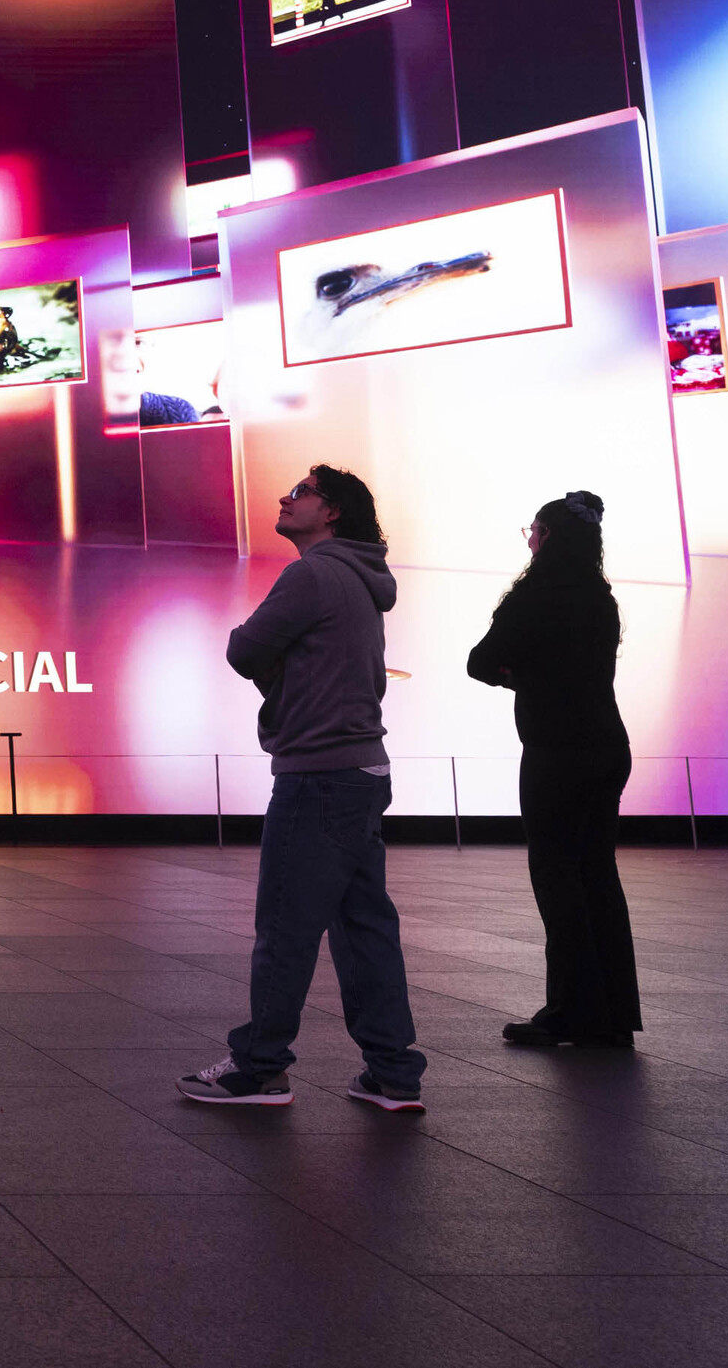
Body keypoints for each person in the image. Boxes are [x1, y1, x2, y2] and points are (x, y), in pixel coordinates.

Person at [182, 464, 424, 1112]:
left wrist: (277, 673)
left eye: (302, 492)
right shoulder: (360, 576)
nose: (286, 499)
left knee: (286, 926)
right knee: (365, 927)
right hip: (363, 770)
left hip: (318, 773)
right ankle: (393, 1072)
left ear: (333, 510)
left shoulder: (313, 573)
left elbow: (243, 648)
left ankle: (260, 1068)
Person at [469, 491, 640, 1048]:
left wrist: (521, 677)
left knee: (558, 878)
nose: (531, 543)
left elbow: (480, 662)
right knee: (598, 876)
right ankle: (613, 1017)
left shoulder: (534, 597)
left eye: (534, 532)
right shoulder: (600, 598)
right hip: (608, 746)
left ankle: (571, 1012)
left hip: (555, 751)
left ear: (546, 537)